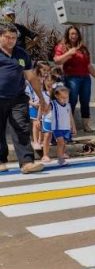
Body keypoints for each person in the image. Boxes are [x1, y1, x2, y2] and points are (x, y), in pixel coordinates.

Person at [0, 23, 44, 173]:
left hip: (18, 98)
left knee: (22, 128)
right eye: (8, 37)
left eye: (14, 37)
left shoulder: (21, 54)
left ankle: (26, 163)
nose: (12, 40)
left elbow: (31, 77)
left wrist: (42, 99)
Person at [53, 26, 95, 133]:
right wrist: (68, 53)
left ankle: (86, 126)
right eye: (72, 34)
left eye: (76, 34)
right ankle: (70, 127)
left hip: (85, 78)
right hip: (71, 78)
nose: (74, 36)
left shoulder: (83, 48)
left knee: (85, 101)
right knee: (71, 101)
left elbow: (88, 65)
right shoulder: (62, 47)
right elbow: (57, 61)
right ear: (68, 35)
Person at [49, 83, 77, 166]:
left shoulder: (68, 105)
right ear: (57, 96)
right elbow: (44, 109)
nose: (65, 99)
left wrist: (73, 127)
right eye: (63, 98)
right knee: (60, 143)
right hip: (57, 127)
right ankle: (60, 159)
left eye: (66, 97)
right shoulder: (53, 104)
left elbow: (70, 116)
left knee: (64, 143)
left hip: (66, 127)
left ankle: (62, 154)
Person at [27, 61, 50, 150]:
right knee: (36, 123)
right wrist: (33, 103)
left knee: (41, 122)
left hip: (43, 104)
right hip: (34, 105)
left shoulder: (46, 81)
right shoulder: (31, 81)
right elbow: (26, 95)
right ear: (38, 69)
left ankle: (41, 140)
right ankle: (35, 141)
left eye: (47, 70)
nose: (46, 72)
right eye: (44, 70)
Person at [40, 73, 55, 162]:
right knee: (47, 136)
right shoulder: (43, 94)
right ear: (44, 82)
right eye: (48, 81)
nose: (50, 83)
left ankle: (62, 153)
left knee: (60, 137)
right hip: (47, 118)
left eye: (52, 81)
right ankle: (45, 155)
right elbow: (43, 109)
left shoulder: (58, 94)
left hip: (57, 119)